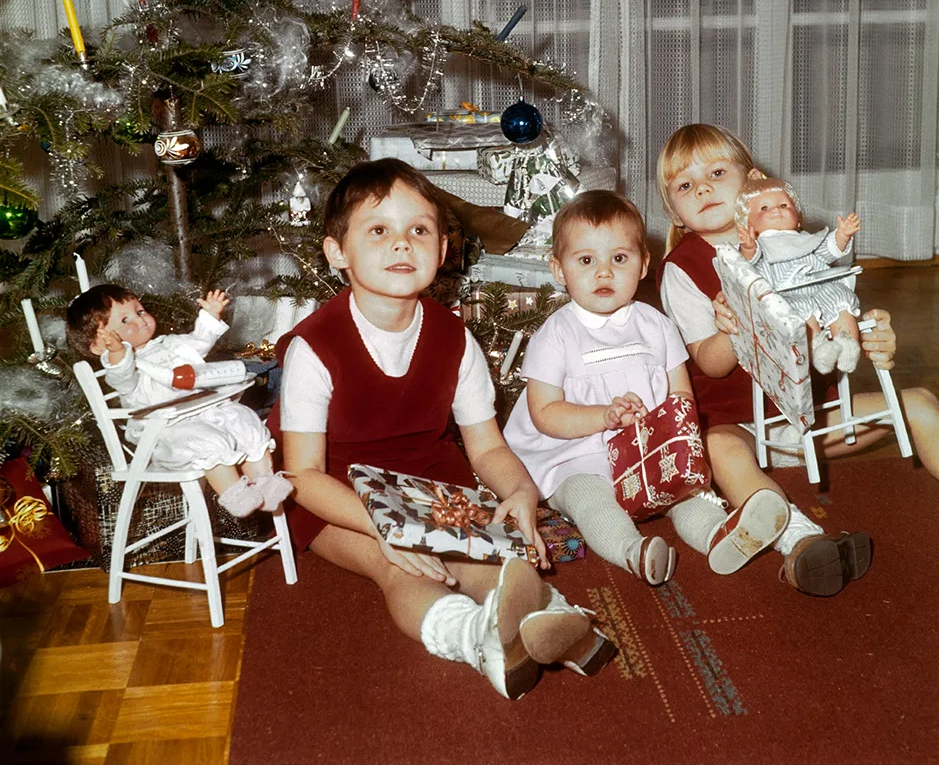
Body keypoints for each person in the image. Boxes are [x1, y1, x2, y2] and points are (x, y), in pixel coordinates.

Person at [657, 122, 939, 576]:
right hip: (743, 425)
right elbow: (709, 362)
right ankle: (802, 544)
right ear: (677, 214)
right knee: (718, 447)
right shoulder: (683, 269)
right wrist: (733, 328)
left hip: (812, 416)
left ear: (756, 182)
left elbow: (839, 313)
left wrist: (871, 335)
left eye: (717, 173)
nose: (703, 188)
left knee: (919, 403)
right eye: (685, 185)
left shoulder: (804, 248)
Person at [272, 158, 613, 700]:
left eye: (419, 230)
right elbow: (304, 473)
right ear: (338, 252)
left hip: (427, 476)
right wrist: (387, 528)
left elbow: (485, 445)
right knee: (404, 568)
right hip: (336, 494)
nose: (402, 244)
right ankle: (477, 639)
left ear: (442, 249)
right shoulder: (314, 347)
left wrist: (521, 491)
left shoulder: (455, 339)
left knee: (485, 557)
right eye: (378, 230)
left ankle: (550, 622)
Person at [503, 190, 791, 586]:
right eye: (586, 260)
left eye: (619, 258)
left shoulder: (656, 325)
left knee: (689, 494)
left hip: (648, 449)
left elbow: (681, 396)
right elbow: (546, 413)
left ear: (642, 265)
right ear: (558, 269)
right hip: (576, 454)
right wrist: (603, 417)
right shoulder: (556, 335)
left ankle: (720, 536)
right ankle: (632, 551)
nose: (604, 273)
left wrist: (673, 447)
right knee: (591, 498)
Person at [66, 284, 293, 518]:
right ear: (97, 344)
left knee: (244, 420)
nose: (139, 320)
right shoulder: (126, 366)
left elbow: (199, 342)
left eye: (140, 311)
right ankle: (235, 495)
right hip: (169, 430)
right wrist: (116, 351)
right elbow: (120, 375)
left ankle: (264, 483)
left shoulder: (170, 344)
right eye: (124, 320)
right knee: (209, 441)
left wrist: (210, 316)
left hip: (208, 409)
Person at [734, 175, 864, 373]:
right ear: (749, 226)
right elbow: (747, 265)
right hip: (787, 293)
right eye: (764, 208)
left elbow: (825, 251)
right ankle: (818, 348)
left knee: (839, 296)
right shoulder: (758, 245)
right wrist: (748, 247)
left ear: (797, 220)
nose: (776, 210)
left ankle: (848, 344)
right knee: (799, 310)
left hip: (819, 286)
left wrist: (842, 235)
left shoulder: (805, 239)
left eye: (784, 205)